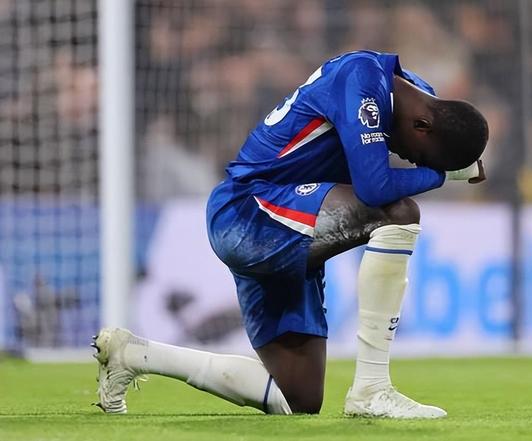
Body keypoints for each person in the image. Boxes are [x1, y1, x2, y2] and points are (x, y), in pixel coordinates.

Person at [92, 50, 488, 419]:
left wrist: (448, 164)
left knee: (298, 397)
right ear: (422, 125)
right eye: (416, 157)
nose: (407, 161)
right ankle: (372, 388)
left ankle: (134, 354)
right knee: (398, 213)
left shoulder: (416, 100)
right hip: (250, 211)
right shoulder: (361, 79)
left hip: (289, 219)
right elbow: (374, 188)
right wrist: (443, 176)